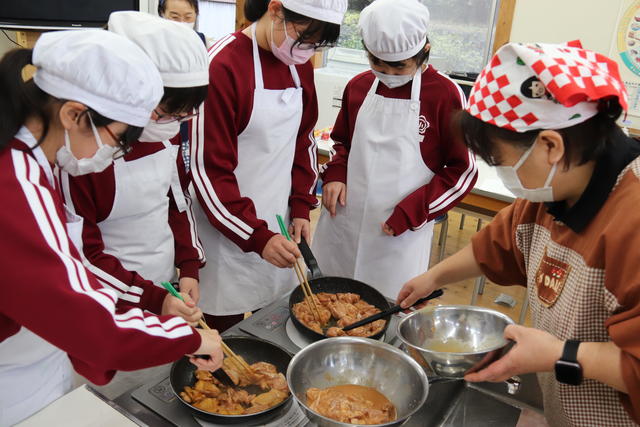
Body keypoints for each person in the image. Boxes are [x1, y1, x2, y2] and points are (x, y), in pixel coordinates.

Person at [397, 41, 640, 425]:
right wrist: (432, 278)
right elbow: (496, 246)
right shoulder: (552, 192)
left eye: (502, 162)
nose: (504, 175)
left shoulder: (633, 218)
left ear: (550, 145)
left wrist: (559, 353)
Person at [0, 30, 222, 427]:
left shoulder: (31, 159)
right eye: (117, 138)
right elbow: (93, 328)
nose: (111, 154)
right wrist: (190, 338)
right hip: (12, 373)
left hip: (38, 349)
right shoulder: (14, 183)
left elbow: (64, 275)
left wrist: (156, 299)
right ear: (72, 114)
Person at [190, 0, 346, 331]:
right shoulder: (221, 66)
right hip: (224, 229)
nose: (308, 52)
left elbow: (303, 140)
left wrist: (302, 207)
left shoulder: (297, 63)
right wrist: (257, 236)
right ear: (275, 9)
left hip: (279, 223)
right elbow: (208, 171)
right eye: (305, 39)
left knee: (273, 329)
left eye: (318, 45)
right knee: (223, 340)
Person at [311, 0, 477, 299]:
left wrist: (414, 211)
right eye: (376, 62)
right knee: (327, 303)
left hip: (399, 233)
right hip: (343, 224)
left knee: (383, 312)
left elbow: (462, 171)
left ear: (424, 50)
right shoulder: (359, 86)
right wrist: (335, 172)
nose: (386, 72)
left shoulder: (444, 95)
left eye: (398, 65)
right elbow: (342, 141)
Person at [61, 12, 208, 308]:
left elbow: (178, 202)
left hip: (164, 284)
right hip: (110, 296)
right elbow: (84, 252)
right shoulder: (84, 152)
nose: (173, 123)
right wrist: (152, 299)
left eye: (185, 115)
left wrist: (188, 265)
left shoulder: (166, 133)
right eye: (164, 112)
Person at [157, 0, 207, 171]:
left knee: (182, 162)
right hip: (160, 114)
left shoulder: (202, 41)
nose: (181, 23)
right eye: (175, 17)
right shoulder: (153, 42)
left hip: (187, 114)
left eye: (188, 17)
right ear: (162, 14)